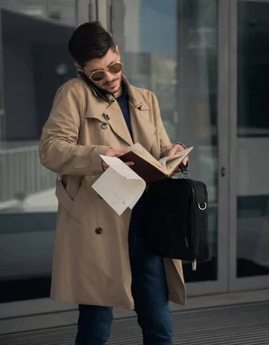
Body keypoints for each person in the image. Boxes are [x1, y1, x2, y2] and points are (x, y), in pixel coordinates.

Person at [39, 21, 188, 345]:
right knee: (96, 322)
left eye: (113, 66)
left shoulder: (146, 98)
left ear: (118, 52)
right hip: (100, 223)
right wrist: (100, 154)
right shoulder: (73, 94)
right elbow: (51, 151)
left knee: (158, 320)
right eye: (97, 74)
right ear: (80, 68)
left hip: (148, 221)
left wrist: (173, 153)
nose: (109, 77)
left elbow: (160, 148)